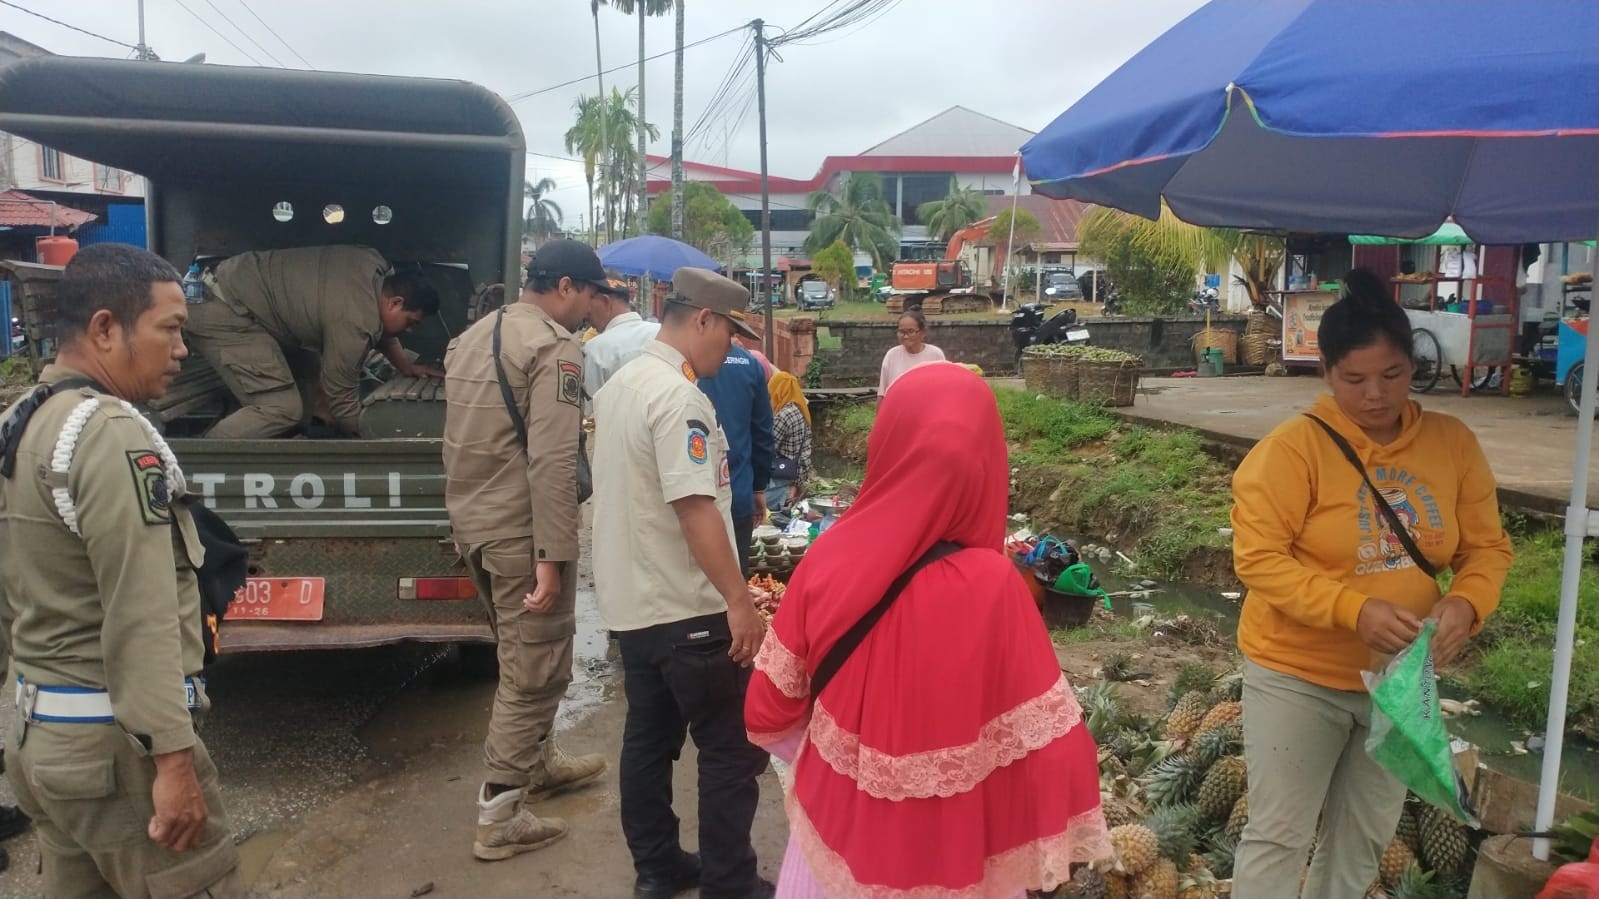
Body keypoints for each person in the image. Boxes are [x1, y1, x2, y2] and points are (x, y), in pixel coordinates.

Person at [744, 362, 1110, 897]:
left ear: (887, 446)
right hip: (963, 868)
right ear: (987, 462)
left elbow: (768, 707)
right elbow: (1058, 756)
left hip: (833, 856)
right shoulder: (995, 586)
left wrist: (848, 758)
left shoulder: (829, 559)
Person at [1229, 269, 1514, 899]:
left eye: (1392, 376)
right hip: (1296, 675)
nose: (1375, 395)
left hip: (1399, 681)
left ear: (1413, 367)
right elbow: (1259, 559)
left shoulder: (1451, 443)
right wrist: (1351, 610)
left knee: (1364, 835)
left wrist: (1467, 603)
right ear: (1327, 372)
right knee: (1279, 835)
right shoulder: (1292, 451)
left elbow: (1487, 548)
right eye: (1355, 380)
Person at [0, 243, 244, 896]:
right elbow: (142, 611)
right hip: (114, 756)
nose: (182, 349)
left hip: (41, 742)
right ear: (107, 329)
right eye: (169, 329)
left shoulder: (22, 423)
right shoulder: (108, 433)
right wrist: (172, 761)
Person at [592, 266, 773, 899]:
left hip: (633, 609)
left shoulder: (619, 389)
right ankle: (730, 883)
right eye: (730, 333)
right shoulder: (677, 398)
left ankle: (660, 867)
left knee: (648, 741)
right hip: (687, 611)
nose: (734, 348)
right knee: (731, 749)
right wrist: (738, 600)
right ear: (703, 320)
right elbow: (695, 506)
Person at [442, 238, 611, 861]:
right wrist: (552, 554)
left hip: (476, 528)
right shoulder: (552, 346)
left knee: (518, 656)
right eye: (590, 298)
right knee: (534, 672)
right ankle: (500, 813)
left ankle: (538, 764)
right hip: (523, 534)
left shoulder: (472, 337)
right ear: (565, 286)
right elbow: (552, 461)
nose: (590, 313)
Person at [184, 245, 443, 438]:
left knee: (308, 369)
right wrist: (377, 438)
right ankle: (199, 466)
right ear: (395, 302)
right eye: (411, 322)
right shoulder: (353, 321)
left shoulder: (374, 266)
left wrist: (405, 366)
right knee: (280, 408)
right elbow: (341, 400)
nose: (409, 331)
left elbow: (382, 329)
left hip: (236, 296)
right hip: (224, 310)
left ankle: (293, 441)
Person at [697, 343, 775, 575]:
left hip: (690, 498)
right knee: (733, 582)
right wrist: (758, 488)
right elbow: (762, 435)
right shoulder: (749, 364)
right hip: (737, 495)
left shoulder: (684, 360)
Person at [584, 275, 660, 398]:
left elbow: (592, 409)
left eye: (588, 302)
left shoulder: (597, 349)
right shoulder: (660, 332)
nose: (585, 312)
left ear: (605, 301)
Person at [763, 371, 811, 515]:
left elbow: (768, 447)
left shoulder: (784, 414)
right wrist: (797, 484)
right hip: (794, 476)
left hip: (780, 480)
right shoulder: (801, 410)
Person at [877, 309, 945, 395]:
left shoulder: (935, 355)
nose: (905, 336)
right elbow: (882, 393)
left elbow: (942, 389)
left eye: (910, 332)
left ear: (923, 332)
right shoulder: (892, 355)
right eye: (902, 332)